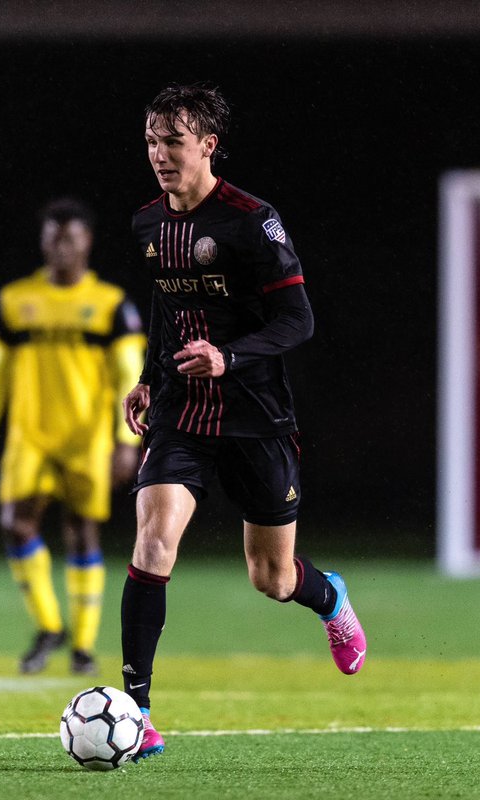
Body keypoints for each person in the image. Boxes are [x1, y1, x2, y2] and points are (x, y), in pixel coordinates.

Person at [119, 84, 367, 762]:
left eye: (173, 140)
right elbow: (167, 311)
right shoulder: (148, 224)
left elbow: (299, 320)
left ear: (207, 145)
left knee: (272, 578)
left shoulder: (252, 222)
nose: (160, 154)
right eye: (150, 140)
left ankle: (329, 596)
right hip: (181, 415)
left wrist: (228, 357)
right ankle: (136, 711)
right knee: (153, 541)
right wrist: (147, 379)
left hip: (255, 416)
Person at [0, 198, 146, 676]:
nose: (61, 247)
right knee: (15, 523)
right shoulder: (15, 300)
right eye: (52, 237)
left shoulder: (111, 305)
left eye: (70, 237)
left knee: (82, 531)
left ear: (87, 242)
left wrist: (125, 441)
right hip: (30, 437)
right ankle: (50, 626)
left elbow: (128, 372)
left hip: (86, 438)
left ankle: (83, 645)